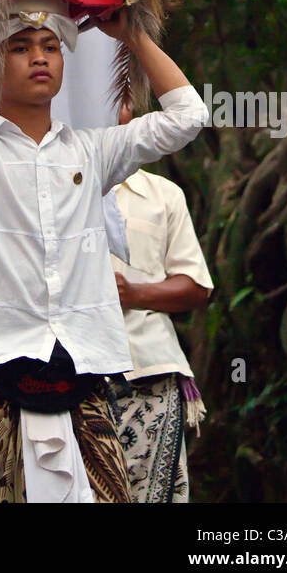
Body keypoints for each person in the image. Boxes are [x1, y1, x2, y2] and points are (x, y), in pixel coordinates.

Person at [0, 0, 209, 503]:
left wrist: (134, 37)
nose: (39, 57)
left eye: (50, 46)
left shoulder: (92, 151)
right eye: (19, 47)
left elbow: (188, 117)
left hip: (82, 368)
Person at [108, 160, 213, 502]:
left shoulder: (162, 194)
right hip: (56, 377)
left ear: (130, 108)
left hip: (147, 372)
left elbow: (196, 286)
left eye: (117, 102)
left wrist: (133, 293)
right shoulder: (37, 188)